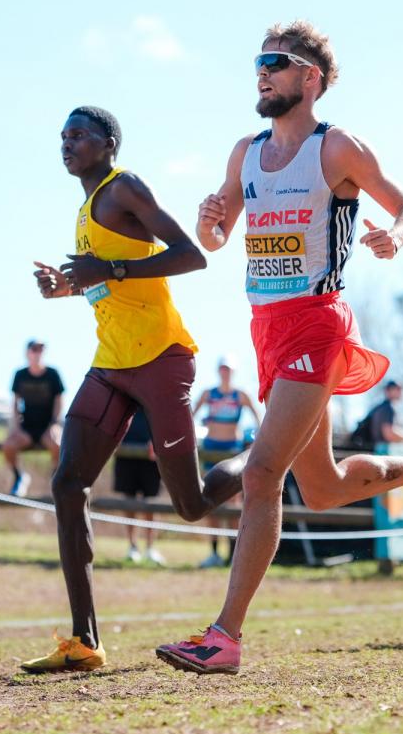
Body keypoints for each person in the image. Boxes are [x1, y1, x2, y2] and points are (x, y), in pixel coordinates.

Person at [155, 21, 403, 676]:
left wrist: (397, 234)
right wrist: (207, 221)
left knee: (260, 474)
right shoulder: (245, 153)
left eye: (275, 63)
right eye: (257, 63)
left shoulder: (336, 147)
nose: (262, 73)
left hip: (319, 325)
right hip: (267, 332)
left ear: (310, 79)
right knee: (325, 486)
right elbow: (220, 235)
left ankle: (224, 637)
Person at [20, 106, 247, 673]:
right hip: (111, 363)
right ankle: (84, 641)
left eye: (79, 135)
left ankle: (266, 456)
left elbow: (190, 257)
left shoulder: (127, 189)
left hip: (162, 360)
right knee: (68, 485)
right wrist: (68, 288)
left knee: (191, 505)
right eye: (63, 136)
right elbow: (103, 279)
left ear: (109, 143)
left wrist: (109, 273)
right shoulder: (83, 210)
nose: (67, 143)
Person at [192, 356, 260, 568]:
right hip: (211, 450)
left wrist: (256, 440)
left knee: (233, 503)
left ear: (233, 372)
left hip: (233, 452)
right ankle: (214, 552)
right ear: (218, 370)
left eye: (228, 369)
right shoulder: (207, 394)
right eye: (222, 368)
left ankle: (233, 554)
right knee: (209, 500)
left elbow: (258, 417)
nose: (225, 372)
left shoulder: (240, 395)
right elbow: (189, 415)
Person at [2, 339, 64, 497]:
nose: (38, 353)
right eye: (35, 349)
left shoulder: (52, 374)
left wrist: (54, 425)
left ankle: (55, 481)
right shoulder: (20, 375)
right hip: (27, 427)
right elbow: (15, 403)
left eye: (41, 350)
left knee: (58, 445)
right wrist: (16, 427)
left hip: (47, 426)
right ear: (27, 353)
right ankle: (19, 476)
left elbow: (59, 401)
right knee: (8, 446)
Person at [112, 409, 165, 566]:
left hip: (151, 456)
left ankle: (150, 548)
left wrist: (157, 439)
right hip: (124, 453)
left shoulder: (156, 390)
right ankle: (132, 547)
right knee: (129, 502)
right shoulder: (122, 386)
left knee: (151, 503)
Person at [349, 380, 403, 448]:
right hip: (380, 450)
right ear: (388, 391)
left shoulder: (380, 408)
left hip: (374, 449)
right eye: (398, 389)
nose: (401, 392)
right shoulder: (387, 408)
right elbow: (389, 434)